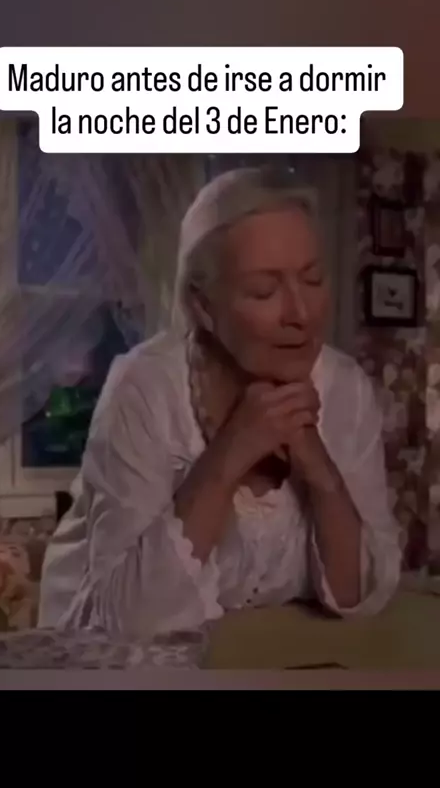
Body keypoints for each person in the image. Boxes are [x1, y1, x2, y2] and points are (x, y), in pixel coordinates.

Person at [38, 166, 401, 637]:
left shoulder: (346, 389)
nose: (301, 314)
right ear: (203, 307)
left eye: (313, 280)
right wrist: (230, 453)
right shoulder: (145, 387)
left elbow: (358, 595)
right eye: (264, 291)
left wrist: (321, 473)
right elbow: (126, 621)